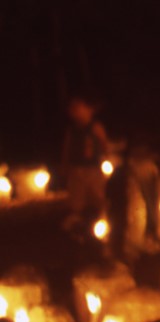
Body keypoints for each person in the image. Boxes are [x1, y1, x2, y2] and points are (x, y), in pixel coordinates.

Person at [61, 96, 109, 229]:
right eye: (72, 109)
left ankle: (102, 221)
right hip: (76, 169)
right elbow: (67, 148)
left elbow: (105, 145)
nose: (74, 111)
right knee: (76, 197)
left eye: (78, 108)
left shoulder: (96, 127)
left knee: (97, 195)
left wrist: (107, 160)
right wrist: (65, 165)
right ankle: (76, 223)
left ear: (89, 110)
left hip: (93, 168)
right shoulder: (72, 130)